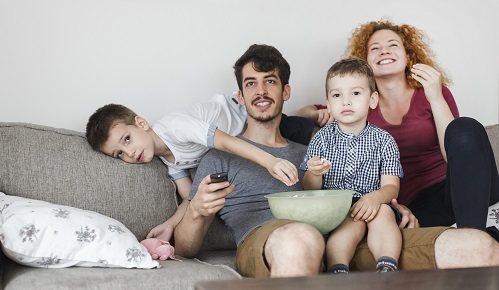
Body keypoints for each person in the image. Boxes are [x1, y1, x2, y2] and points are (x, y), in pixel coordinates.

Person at [174, 43, 499, 278]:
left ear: (286, 92)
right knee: (302, 237)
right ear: (240, 96)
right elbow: (186, 248)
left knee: (478, 244)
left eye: (269, 81)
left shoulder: (314, 147)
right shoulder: (221, 156)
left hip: (352, 238)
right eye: (250, 84)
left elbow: (370, 183)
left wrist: (395, 205)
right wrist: (198, 211)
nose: (260, 91)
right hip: (275, 239)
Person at [300, 20, 499, 240]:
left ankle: (474, 239)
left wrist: (435, 96)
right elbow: (303, 114)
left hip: (457, 187)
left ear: (408, 55)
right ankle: (474, 238)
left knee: (466, 127)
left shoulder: (432, 92)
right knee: (396, 224)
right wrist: (313, 113)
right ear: (365, 61)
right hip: (413, 203)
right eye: (374, 48)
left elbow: (453, 152)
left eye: (393, 45)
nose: (384, 50)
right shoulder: (356, 103)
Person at [85, 95, 305, 242]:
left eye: (127, 140)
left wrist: (270, 161)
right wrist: (169, 225)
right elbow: (191, 198)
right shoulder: (170, 162)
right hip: (245, 133)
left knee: (297, 127)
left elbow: (225, 142)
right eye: (119, 154)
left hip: (243, 112)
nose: (130, 153)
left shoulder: (175, 127)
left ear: (141, 123)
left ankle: (309, 112)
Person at [302, 58, 403, 273]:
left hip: (373, 202)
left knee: (384, 213)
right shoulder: (321, 139)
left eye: (355, 94)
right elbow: (309, 189)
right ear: (328, 103)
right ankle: (338, 268)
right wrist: (314, 172)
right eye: (337, 95)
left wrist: (375, 198)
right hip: (336, 207)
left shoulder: (384, 140)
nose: (346, 102)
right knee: (349, 222)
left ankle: (387, 266)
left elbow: (391, 187)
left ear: (373, 99)